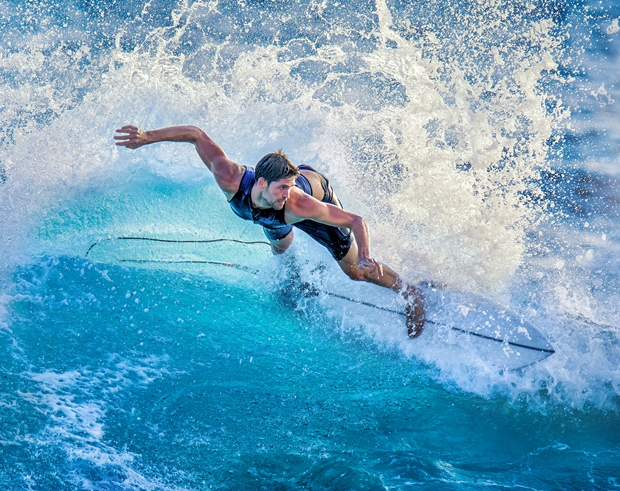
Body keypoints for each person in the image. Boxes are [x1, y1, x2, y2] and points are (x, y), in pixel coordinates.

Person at [114, 125, 425, 337]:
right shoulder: (230, 177)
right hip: (275, 214)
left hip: (317, 191)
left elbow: (356, 221)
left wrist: (366, 255)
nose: (285, 194)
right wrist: (147, 137)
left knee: (356, 273)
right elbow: (196, 135)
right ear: (261, 183)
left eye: (287, 189)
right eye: (281, 189)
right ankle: (296, 278)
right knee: (279, 243)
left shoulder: (297, 203)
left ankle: (411, 293)